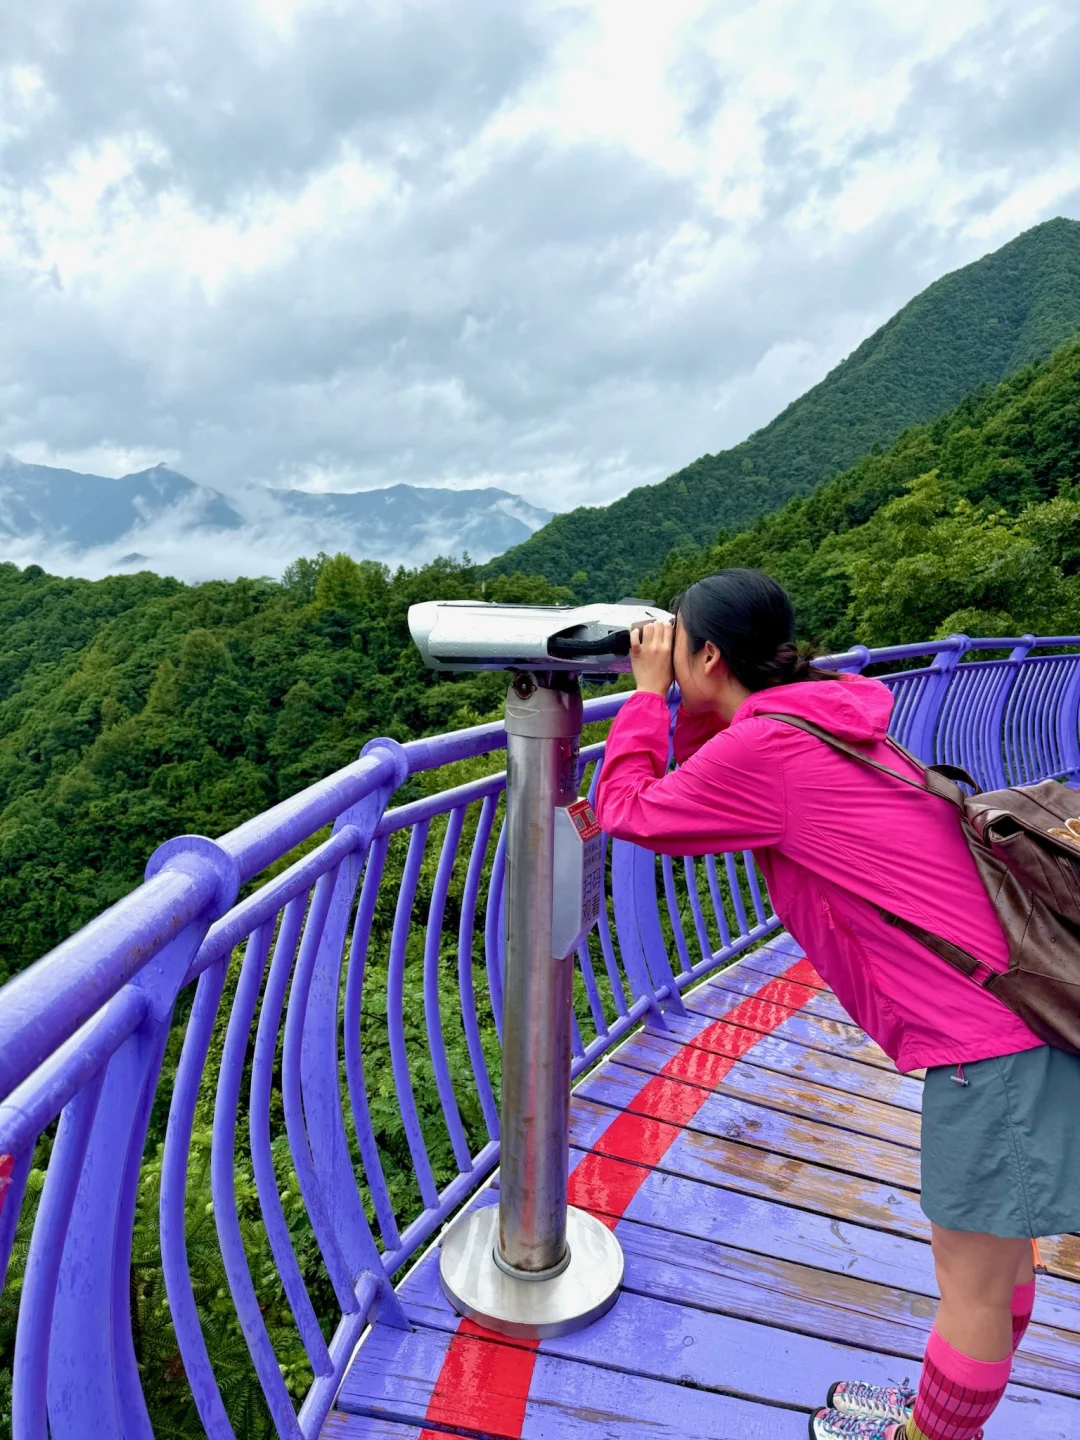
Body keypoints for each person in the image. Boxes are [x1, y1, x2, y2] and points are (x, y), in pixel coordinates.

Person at [592, 568, 1077, 1440]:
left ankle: (931, 1434)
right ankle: (938, 1413)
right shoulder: (816, 714)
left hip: (989, 1035)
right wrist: (690, 695)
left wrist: (642, 699)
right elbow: (717, 763)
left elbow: (629, 811)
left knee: (974, 1280)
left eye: (677, 643)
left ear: (709, 655)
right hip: (1004, 1011)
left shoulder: (766, 750)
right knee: (996, 1255)